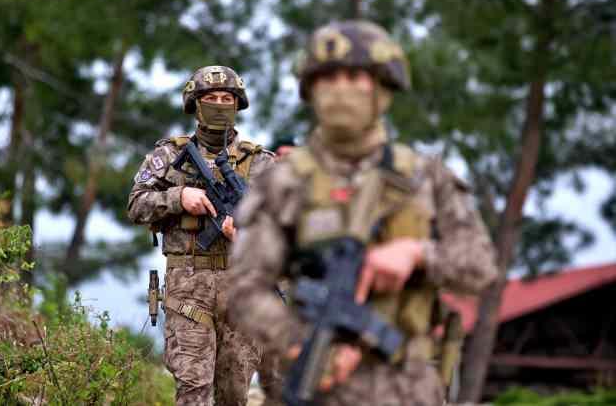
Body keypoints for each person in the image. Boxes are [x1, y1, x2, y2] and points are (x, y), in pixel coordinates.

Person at [228, 21, 499, 406]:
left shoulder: (426, 177)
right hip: (317, 385)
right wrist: (299, 344)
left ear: (383, 88)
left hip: (407, 388)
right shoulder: (282, 183)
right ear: (310, 90)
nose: (341, 89)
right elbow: (246, 287)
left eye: (355, 76)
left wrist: (419, 255)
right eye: (327, 78)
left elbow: (480, 268)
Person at [127, 65, 276, 406]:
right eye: (211, 98)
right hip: (188, 288)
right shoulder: (168, 156)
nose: (220, 104)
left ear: (238, 105)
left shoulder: (262, 163)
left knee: (234, 394)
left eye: (227, 98)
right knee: (192, 390)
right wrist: (178, 198)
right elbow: (136, 205)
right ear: (195, 103)